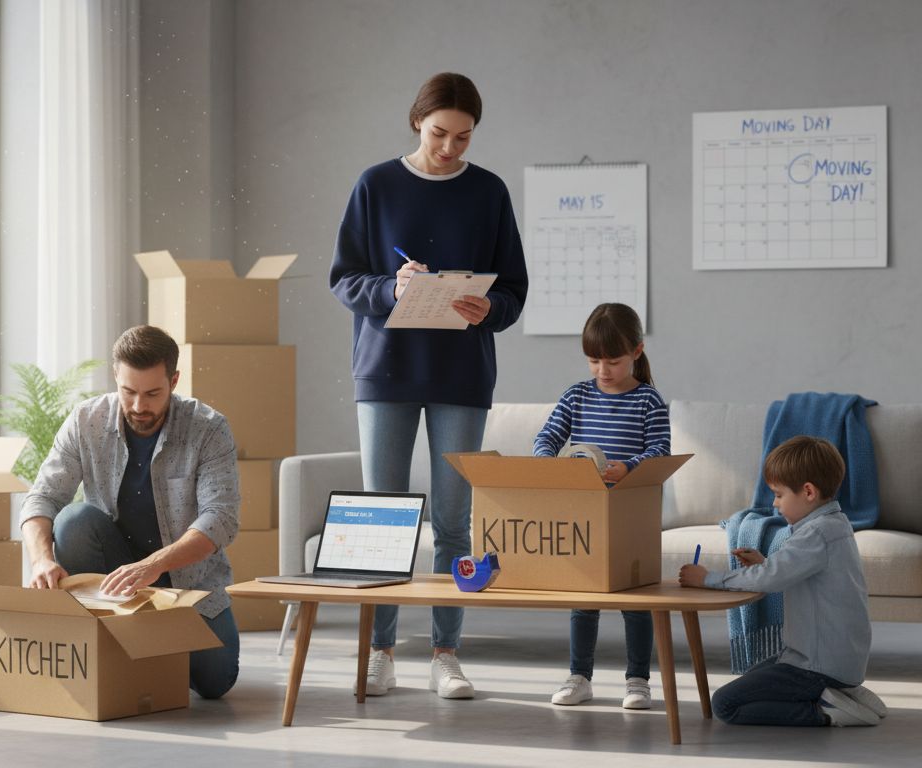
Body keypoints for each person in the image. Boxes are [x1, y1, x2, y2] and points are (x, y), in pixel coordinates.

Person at [329, 72, 528, 700]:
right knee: (382, 516)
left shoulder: (488, 191)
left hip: (462, 372)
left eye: (463, 138)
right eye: (440, 133)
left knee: (452, 522)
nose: (450, 148)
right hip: (386, 368)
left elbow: (514, 290)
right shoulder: (376, 184)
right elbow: (344, 279)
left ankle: (447, 654)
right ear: (418, 120)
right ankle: (381, 651)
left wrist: (487, 308)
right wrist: (394, 289)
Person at [19, 325, 241, 700]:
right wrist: (40, 559)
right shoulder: (86, 420)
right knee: (73, 521)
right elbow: (42, 497)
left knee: (215, 681)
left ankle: (154, 648)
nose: (139, 406)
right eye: (129, 391)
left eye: (153, 393)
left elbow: (220, 518)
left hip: (188, 586)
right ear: (115, 377)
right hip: (115, 581)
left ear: (174, 380)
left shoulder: (208, 428)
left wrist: (153, 565)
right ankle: (117, 650)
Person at [678, 436, 889, 726]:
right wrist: (765, 563)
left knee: (725, 704)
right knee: (752, 680)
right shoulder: (834, 525)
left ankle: (825, 712)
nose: (775, 505)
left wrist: (707, 578)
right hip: (833, 661)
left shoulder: (816, 534)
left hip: (816, 667)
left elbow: (770, 580)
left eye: (778, 495)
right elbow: (792, 572)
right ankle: (843, 692)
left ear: (808, 492)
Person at [532, 302, 669, 710]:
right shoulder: (576, 396)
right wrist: (550, 468)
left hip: (630, 514)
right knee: (584, 601)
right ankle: (579, 676)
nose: (602, 370)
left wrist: (629, 467)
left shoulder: (649, 401)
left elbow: (661, 450)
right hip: (586, 512)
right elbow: (547, 437)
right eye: (594, 361)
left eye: (613, 361)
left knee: (635, 602)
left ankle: (638, 681)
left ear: (637, 352)